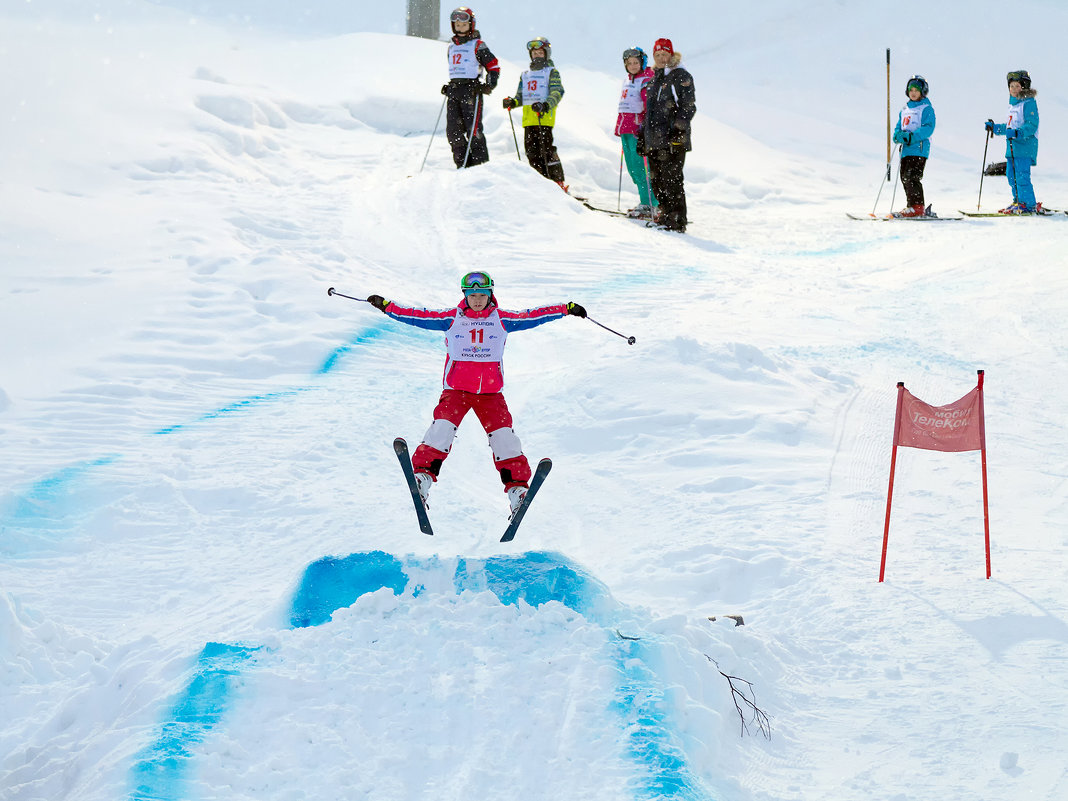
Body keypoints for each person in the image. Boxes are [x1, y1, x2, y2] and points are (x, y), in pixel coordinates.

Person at [365, 272, 586, 517]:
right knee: (441, 430)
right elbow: (418, 315)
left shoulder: (502, 319)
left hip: (490, 394)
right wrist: (387, 307)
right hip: (456, 391)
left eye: (482, 294)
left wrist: (565, 309)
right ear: (465, 296)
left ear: (490, 294)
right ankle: (422, 480)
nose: (477, 300)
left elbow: (532, 315)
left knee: (505, 440)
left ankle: (517, 493)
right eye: (472, 295)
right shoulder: (452, 318)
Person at [642, 38, 696, 233]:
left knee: (672, 179)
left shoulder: (680, 76)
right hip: (655, 140)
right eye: (657, 55)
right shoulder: (655, 79)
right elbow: (649, 111)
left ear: (671, 55)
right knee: (657, 179)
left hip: (673, 140)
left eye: (665, 54)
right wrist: (643, 136)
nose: (661, 58)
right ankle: (665, 212)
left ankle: (677, 218)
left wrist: (678, 131)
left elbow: (688, 106)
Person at [502, 37, 566, 187]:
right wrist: (512, 102)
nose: (537, 55)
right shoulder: (525, 75)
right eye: (534, 53)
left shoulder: (551, 72)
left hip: (543, 118)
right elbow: (521, 96)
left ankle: (557, 182)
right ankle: (539, 184)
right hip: (529, 120)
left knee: (547, 151)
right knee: (532, 154)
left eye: (540, 53)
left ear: (546, 54)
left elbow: (557, 92)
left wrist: (545, 105)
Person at [442, 7, 499, 169]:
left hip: (471, 91)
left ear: (471, 25)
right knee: (453, 132)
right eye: (457, 25)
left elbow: (493, 66)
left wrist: (489, 85)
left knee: (473, 131)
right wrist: (451, 86)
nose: (460, 28)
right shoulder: (451, 47)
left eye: (464, 25)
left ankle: (480, 167)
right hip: (455, 91)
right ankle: (463, 166)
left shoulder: (478, 45)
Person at [985, 70, 1041, 214]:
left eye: (1017, 86)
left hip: (1025, 147)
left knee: (1021, 176)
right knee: (1012, 176)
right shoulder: (1013, 106)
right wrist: (995, 128)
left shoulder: (1028, 103)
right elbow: (1009, 127)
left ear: (1024, 86)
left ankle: (1028, 204)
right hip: (1012, 148)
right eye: (1011, 86)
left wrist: (1018, 133)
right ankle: (1018, 201)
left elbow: (1031, 124)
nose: (1014, 89)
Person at [614, 46, 657, 219]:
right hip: (626, 129)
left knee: (641, 167)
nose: (632, 65)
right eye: (629, 63)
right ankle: (645, 201)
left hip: (637, 130)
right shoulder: (628, 79)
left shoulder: (646, 79)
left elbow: (649, 104)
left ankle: (651, 203)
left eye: (635, 62)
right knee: (632, 168)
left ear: (643, 62)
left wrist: (645, 125)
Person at [891, 75, 937, 218]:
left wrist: (912, 136)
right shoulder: (904, 109)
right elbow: (899, 126)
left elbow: (928, 128)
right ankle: (911, 206)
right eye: (911, 89)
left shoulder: (926, 108)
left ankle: (918, 207)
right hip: (906, 150)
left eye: (917, 90)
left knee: (912, 176)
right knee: (904, 177)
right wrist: (898, 135)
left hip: (919, 149)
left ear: (923, 92)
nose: (913, 92)